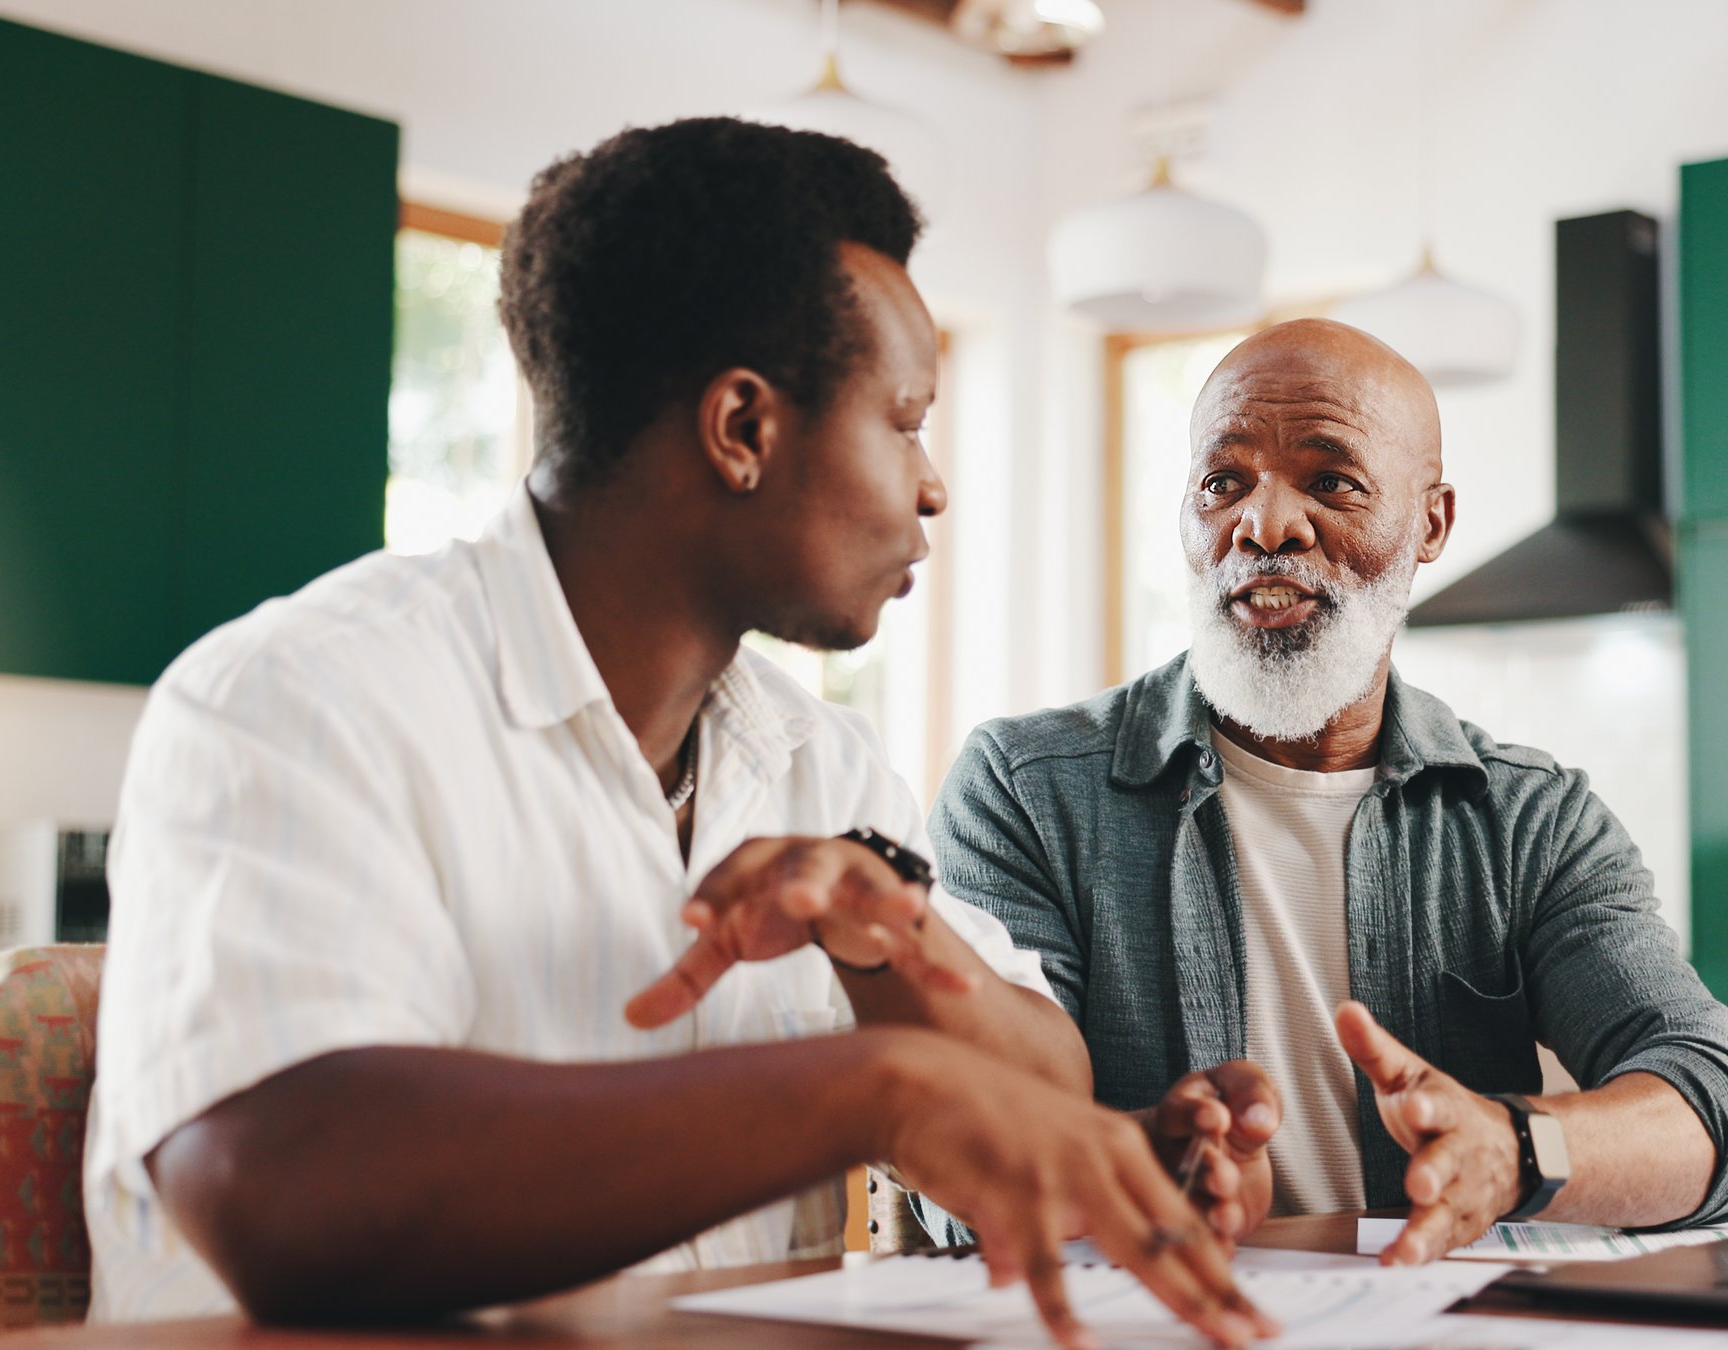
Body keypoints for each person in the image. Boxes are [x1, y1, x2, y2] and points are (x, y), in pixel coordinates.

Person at [80, 117, 1267, 1350]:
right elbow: (278, 1189)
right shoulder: (300, 698)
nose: (932, 485)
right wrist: (866, 1091)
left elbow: (1033, 1088)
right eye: (905, 420)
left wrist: (1009, 1075)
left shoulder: (824, 765)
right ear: (742, 430)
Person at [927, 319, 1728, 1265]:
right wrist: (1149, 1172)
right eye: (1223, 483)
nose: (1265, 525)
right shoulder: (1025, 791)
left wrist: (1512, 1149)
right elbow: (969, 1161)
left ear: (1431, 525)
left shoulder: (1531, 820)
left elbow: (1718, 1110)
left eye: (1330, 481)